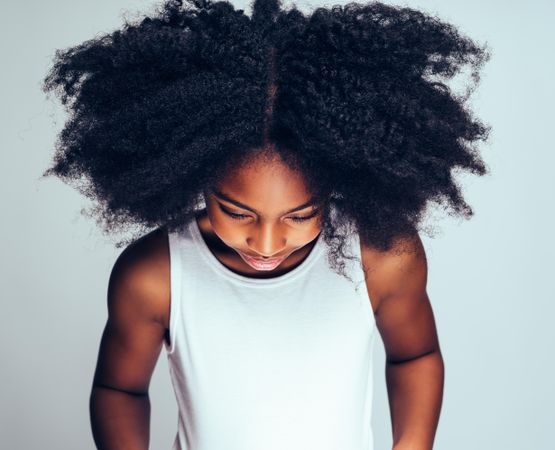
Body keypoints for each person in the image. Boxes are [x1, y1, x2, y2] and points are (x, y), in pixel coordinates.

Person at [41, 0, 490, 449]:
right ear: (192, 174)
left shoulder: (381, 255)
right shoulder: (156, 274)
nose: (267, 242)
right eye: (237, 212)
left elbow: (416, 355)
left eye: (300, 214)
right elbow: (120, 389)